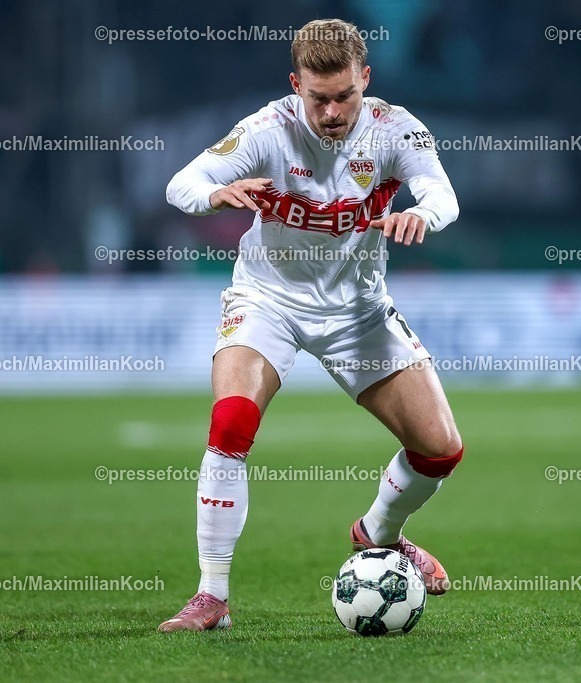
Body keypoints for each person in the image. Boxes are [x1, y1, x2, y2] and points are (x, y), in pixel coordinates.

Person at [158, 18, 463, 632]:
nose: (330, 112)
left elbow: (443, 194)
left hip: (357, 311)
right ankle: (212, 594)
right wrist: (216, 195)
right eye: (317, 98)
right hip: (268, 298)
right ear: (296, 84)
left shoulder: (394, 129)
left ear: (365, 80)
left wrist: (421, 216)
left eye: (344, 96)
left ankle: (378, 532)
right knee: (232, 419)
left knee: (441, 449)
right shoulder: (267, 130)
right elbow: (180, 183)